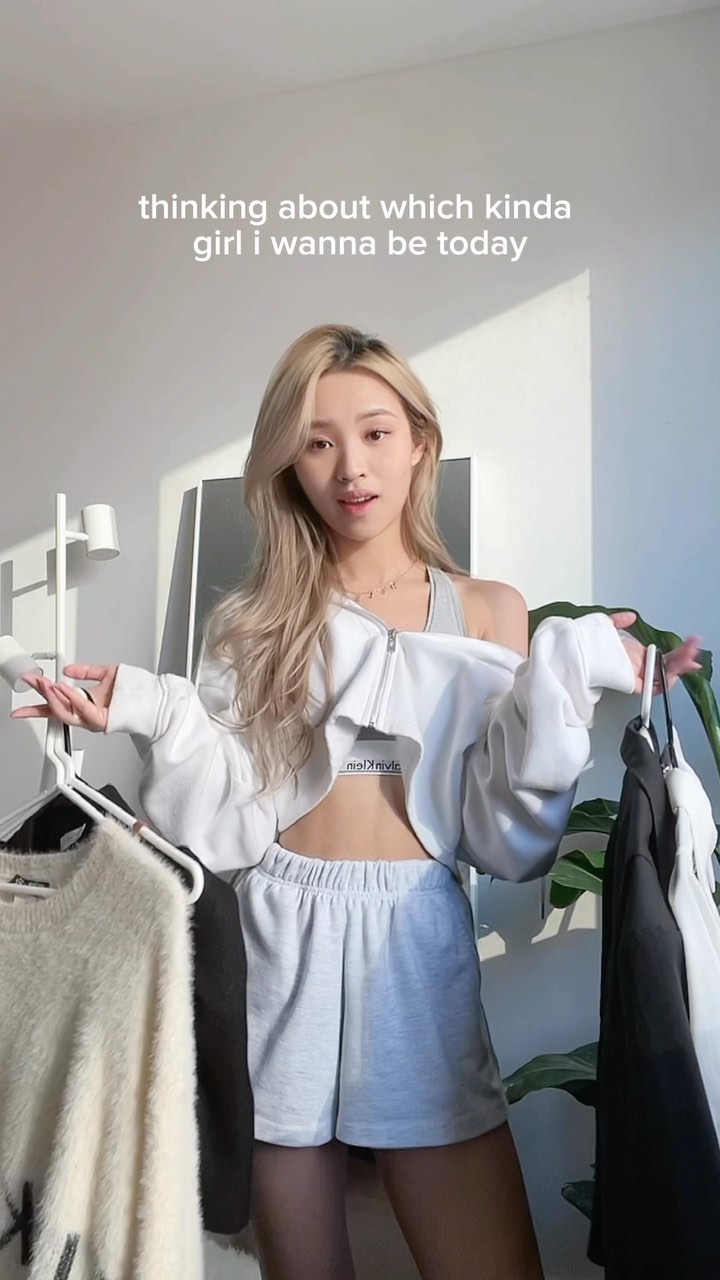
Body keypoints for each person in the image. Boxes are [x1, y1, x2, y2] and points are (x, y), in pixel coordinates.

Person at [13, 324, 702, 1280]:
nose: (351, 468)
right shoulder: (250, 622)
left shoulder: (488, 609)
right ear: (289, 464)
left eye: (376, 433)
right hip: (279, 935)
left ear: (420, 441)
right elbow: (224, 813)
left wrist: (574, 665)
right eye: (318, 441)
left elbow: (504, 830)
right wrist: (143, 707)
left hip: (416, 934)